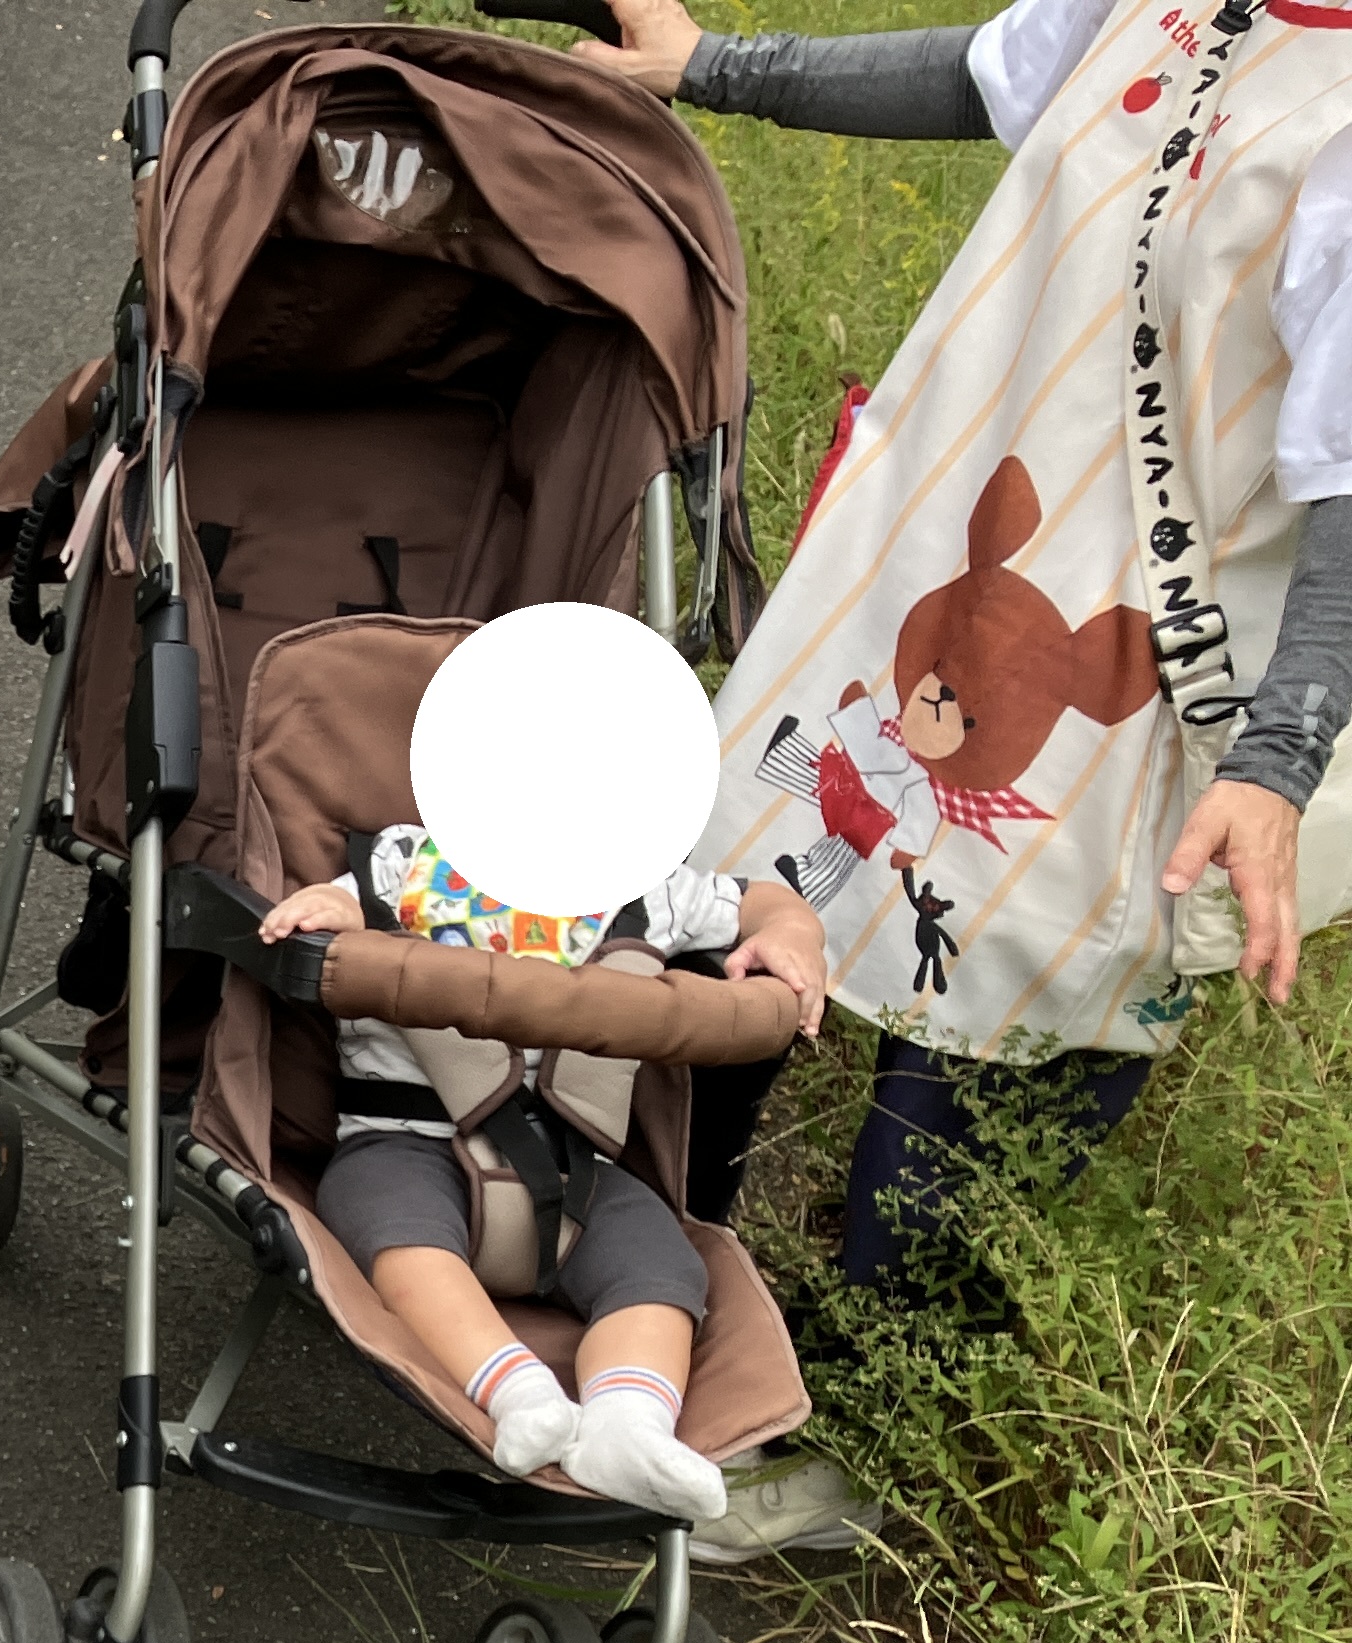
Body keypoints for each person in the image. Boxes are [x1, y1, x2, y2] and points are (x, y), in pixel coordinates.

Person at [585, 0, 1352, 1555]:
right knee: (750, 898)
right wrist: (715, 69)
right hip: (947, 569)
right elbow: (992, 71)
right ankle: (640, 1288)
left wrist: (1277, 764)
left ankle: (855, 1445)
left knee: (987, 1048)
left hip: (1137, 678)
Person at [256, 824, 834, 1525]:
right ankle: (518, 1392)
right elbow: (342, 909)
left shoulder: (647, 892)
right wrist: (330, 912)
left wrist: (792, 932)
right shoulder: (407, 862)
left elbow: (760, 902)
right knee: (398, 1233)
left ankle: (628, 1424)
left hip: (576, 1165)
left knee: (663, 1268)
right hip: (405, 1142)